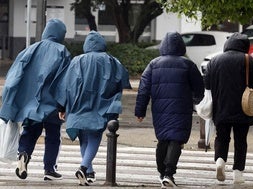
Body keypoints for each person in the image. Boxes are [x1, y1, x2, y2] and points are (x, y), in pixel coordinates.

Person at [51, 30, 131, 186]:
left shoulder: (77, 61)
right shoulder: (111, 60)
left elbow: (65, 86)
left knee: (83, 138)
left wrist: (61, 107)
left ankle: (88, 172)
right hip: (100, 105)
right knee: (95, 136)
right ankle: (84, 168)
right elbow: (122, 79)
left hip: (78, 105)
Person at [0, 18, 71, 180]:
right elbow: (65, 81)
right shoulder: (63, 52)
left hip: (31, 105)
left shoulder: (30, 49)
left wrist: (11, 102)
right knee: (53, 136)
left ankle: (23, 154)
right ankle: (49, 169)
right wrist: (63, 105)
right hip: (53, 104)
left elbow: (15, 76)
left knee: (30, 132)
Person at [135, 31, 204, 188]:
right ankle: (169, 173)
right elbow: (199, 86)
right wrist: (196, 100)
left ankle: (162, 173)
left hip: (160, 108)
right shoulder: (188, 64)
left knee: (163, 139)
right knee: (176, 138)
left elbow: (143, 89)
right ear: (181, 45)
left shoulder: (153, 64)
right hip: (182, 107)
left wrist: (140, 111)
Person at [203, 32, 253, 184]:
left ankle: (220, 162)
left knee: (222, 137)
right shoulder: (248, 59)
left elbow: (207, 83)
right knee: (240, 140)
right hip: (243, 108)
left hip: (221, 107)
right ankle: (237, 173)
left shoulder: (215, 60)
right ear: (245, 45)